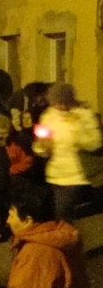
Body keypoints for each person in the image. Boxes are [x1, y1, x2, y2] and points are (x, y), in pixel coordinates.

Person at [32, 82, 103, 222]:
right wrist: (42, 146)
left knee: (82, 217)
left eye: (62, 102)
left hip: (81, 175)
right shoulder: (48, 116)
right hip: (57, 176)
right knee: (62, 217)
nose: (59, 107)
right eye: (56, 103)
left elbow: (96, 143)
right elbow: (40, 146)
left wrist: (77, 133)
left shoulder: (84, 115)